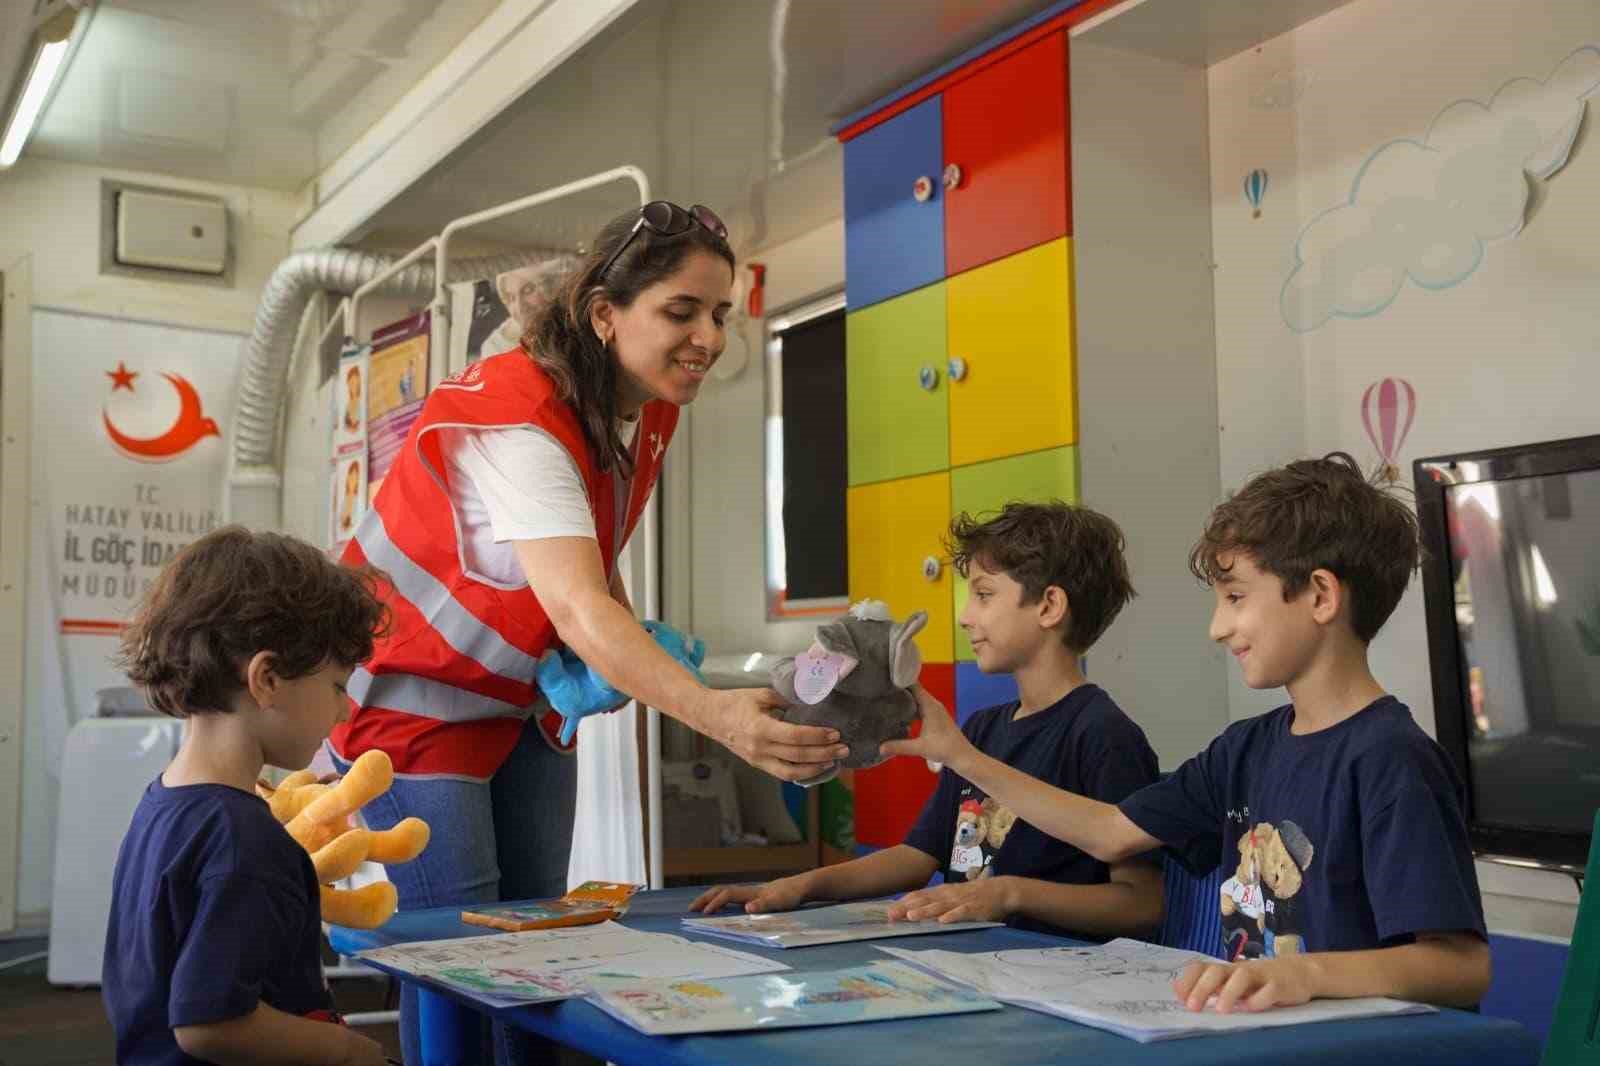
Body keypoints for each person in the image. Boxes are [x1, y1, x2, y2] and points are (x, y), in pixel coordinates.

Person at [328, 201, 846, 1065]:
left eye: (720, 314)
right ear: (605, 314)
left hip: (517, 699)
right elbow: (575, 608)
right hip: (414, 705)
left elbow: (593, 565)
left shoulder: (639, 407)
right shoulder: (518, 415)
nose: (709, 338)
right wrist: (720, 718)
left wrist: (621, 641)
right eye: (680, 311)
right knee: (462, 962)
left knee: (538, 950)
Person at [886, 454, 1491, 1013]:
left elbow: (1462, 967)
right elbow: (1107, 832)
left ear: (1321, 595)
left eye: (1234, 597)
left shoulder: (1394, 759)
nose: (1217, 627)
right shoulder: (1244, 749)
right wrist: (960, 756)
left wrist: (1304, 975)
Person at [692, 502, 1164, 940]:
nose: (965, 617)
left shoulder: (1104, 735)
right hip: (972, 967)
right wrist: (795, 887)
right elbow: (919, 857)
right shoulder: (982, 729)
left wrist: (1010, 893)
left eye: (983, 595)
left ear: (1049, 606)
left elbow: (1141, 905)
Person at [102, 526, 390, 1066]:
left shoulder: (162, 803)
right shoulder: (245, 843)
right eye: (337, 685)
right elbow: (208, 1024)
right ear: (268, 679)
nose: (346, 709)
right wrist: (347, 1050)